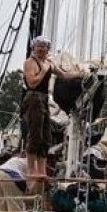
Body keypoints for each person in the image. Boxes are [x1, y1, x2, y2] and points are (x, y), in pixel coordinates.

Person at [22, 36, 81, 189]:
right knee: (35, 134)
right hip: (33, 97)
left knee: (45, 137)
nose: (41, 49)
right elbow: (32, 83)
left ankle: (41, 169)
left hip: (43, 99)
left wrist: (80, 74)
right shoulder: (30, 63)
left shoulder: (49, 63)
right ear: (33, 48)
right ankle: (31, 169)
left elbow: (64, 75)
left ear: (48, 49)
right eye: (38, 46)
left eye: (44, 46)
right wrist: (44, 70)